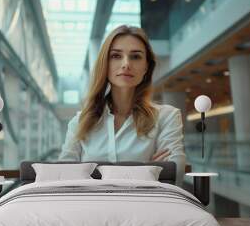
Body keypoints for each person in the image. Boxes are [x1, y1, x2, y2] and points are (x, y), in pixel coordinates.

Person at [59, 25, 186, 186]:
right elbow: (63, 178)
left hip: (145, 209)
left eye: (135, 57)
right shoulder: (80, 122)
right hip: (90, 209)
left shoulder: (167, 117)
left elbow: (174, 175)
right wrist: (148, 170)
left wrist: (90, 175)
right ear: (105, 64)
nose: (126, 64)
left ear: (146, 66)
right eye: (116, 56)